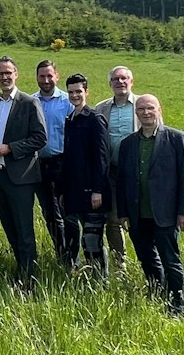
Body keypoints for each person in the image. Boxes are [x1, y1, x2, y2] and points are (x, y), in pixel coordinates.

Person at [114, 93, 184, 314]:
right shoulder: (128, 144)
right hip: (137, 214)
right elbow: (121, 180)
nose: (146, 113)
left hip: (165, 213)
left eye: (150, 108)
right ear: (136, 113)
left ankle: (178, 303)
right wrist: (123, 212)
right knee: (147, 259)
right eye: (141, 109)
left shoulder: (177, 139)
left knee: (170, 260)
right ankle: (157, 293)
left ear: (159, 109)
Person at [0, 56, 50, 288]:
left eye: (8, 72)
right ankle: (20, 269)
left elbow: (40, 138)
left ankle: (29, 279)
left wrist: (10, 148)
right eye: (0, 73)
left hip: (20, 178)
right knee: (9, 228)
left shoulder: (29, 103)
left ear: (16, 74)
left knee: (24, 230)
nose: (5, 77)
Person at [59, 73, 111, 274]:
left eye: (78, 91)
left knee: (92, 238)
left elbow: (101, 157)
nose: (74, 95)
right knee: (80, 237)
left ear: (86, 92)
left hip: (92, 192)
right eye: (71, 92)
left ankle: (100, 280)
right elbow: (68, 159)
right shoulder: (70, 119)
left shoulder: (95, 119)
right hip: (74, 191)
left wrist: (97, 190)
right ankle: (88, 276)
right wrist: (63, 191)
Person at [93, 65, 137, 275]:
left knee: (139, 218)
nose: (120, 82)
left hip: (137, 173)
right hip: (111, 171)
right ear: (110, 83)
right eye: (116, 79)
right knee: (112, 219)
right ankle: (121, 265)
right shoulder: (101, 108)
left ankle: (149, 260)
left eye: (124, 78)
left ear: (132, 81)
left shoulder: (142, 105)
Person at [32, 58, 71, 258]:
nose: (46, 80)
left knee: (67, 212)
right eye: (42, 76)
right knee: (49, 213)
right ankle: (61, 253)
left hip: (63, 164)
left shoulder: (68, 102)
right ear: (36, 78)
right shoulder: (30, 102)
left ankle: (73, 255)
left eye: (49, 76)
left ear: (57, 76)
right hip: (38, 165)